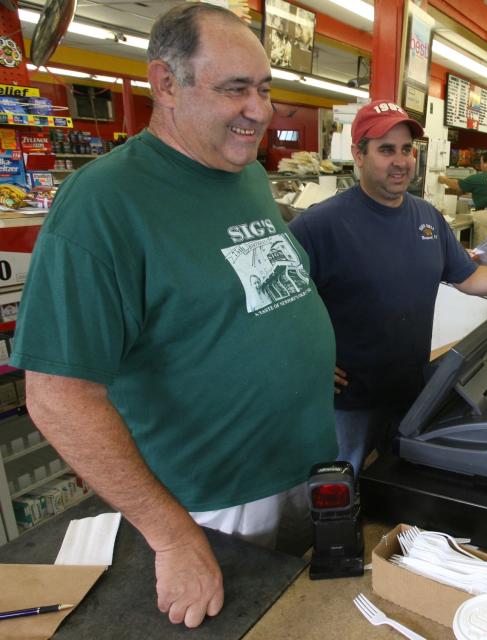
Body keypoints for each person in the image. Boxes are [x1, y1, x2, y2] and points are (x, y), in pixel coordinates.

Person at [11, 4, 337, 629]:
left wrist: (304, 350)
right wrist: (171, 536)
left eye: (264, 89)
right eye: (235, 89)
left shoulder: (246, 177)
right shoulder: (103, 204)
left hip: (307, 467)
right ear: (165, 84)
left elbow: (257, 296)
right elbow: (57, 396)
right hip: (214, 505)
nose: (259, 110)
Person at [290, 100, 487, 475]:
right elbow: (277, 309)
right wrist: (305, 361)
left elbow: (468, 277)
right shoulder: (319, 226)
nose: (401, 161)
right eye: (386, 150)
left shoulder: (427, 218)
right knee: (339, 495)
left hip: (411, 389)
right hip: (348, 404)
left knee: (396, 485)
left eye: (407, 150)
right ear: (358, 154)